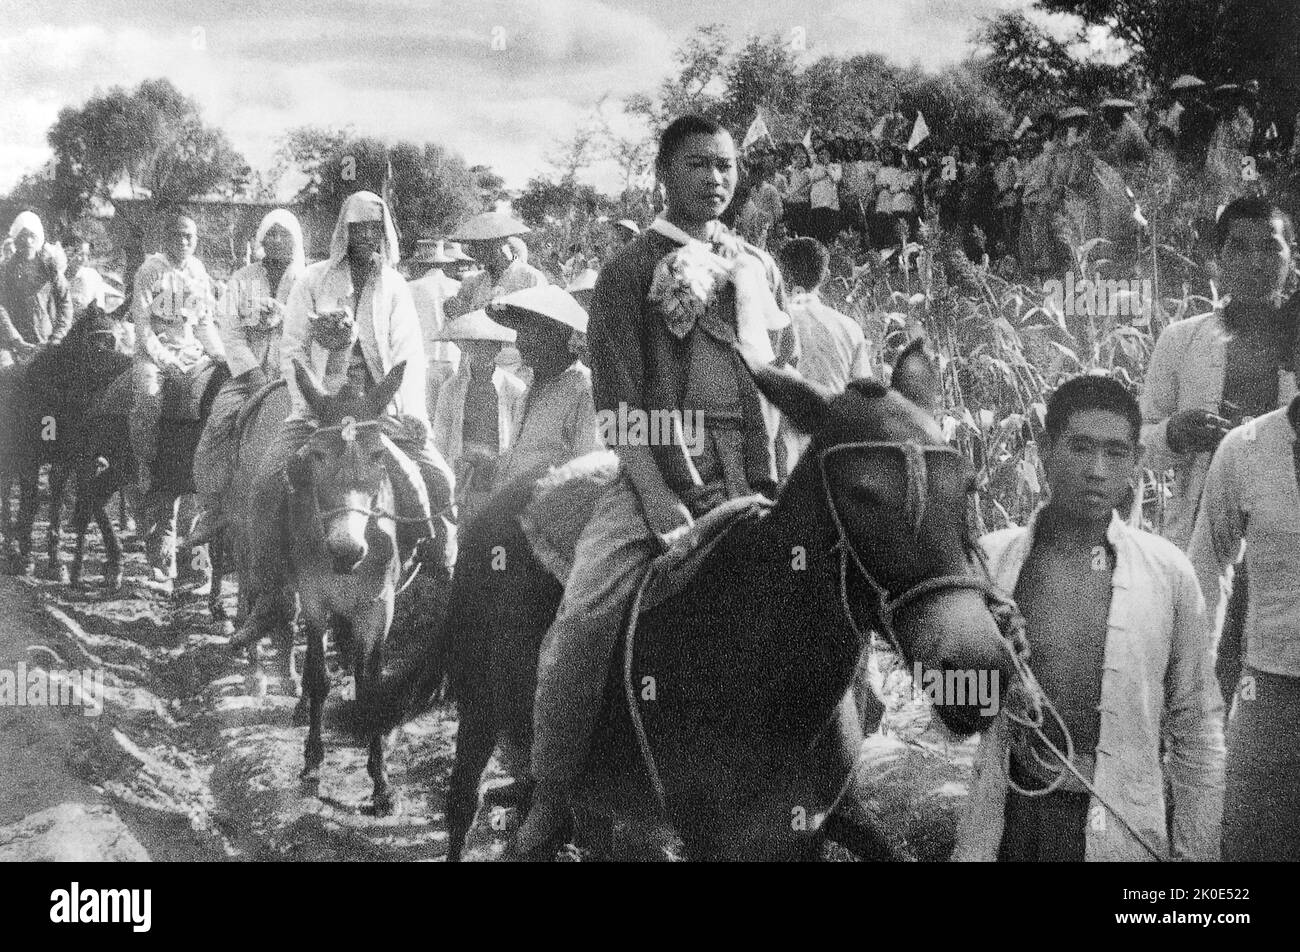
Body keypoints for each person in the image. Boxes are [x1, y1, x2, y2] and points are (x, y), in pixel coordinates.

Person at [513, 113, 797, 854]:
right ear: (663, 174)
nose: (716, 179)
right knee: (583, 615)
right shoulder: (629, 271)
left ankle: (824, 768)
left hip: (750, 467)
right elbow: (619, 403)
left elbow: (775, 376)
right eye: (699, 165)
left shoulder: (755, 265)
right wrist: (656, 494)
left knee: (824, 584)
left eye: (727, 167)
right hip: (658, 471)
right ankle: (553, 791)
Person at [955, 374, 1224, 861]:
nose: (1097, 470)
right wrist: (989, 678)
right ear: (1044, 448)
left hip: (1124, 825)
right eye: (1079, 447)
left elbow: (1198, 728)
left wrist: (1195, 856)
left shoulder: (1168, 573)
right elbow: (944, 702)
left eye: (1116, 452)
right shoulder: (990, 565)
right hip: (1014, 820)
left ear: (1137, 462)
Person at [232, 191, 454, 644]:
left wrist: (409, 412)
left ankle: (437, 571)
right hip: (323, 407)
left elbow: (408, 354)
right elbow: (293, 346)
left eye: (373, 228)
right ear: (343, 232)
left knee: (437, 476)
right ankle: (272, 594)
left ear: (384, 232)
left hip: (377, 409)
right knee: (265, 483)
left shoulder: (395, 287)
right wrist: (318, 374)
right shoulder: (312, 280)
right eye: (356, 229)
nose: (365, 237)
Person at [1188, 315, 1300, 861]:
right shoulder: (1247, 449)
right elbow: (1208, 570)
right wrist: (1196, 691)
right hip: (1270, 692)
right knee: (1251, 848)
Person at [1140, 197, 1298, 550]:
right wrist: (1174, 434)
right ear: (1219, 260)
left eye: (1269, 248)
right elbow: (1139, 444)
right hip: (1198, 536)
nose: (1255, 263)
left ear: (1292, 256)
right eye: (1239, 249)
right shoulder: (1181, 340)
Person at [187, 209, 307, 549]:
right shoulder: (242, 278)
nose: (277, 241)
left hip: (293, 373)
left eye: (284, 235)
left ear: (295, 239)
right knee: (219, 423)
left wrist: (283, 319)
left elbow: (308, 330)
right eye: (271, 234)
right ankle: (212, 506)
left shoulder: (307, 280)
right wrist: (252, 372)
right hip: (248, 373)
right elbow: (230, 331)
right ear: (261, 239)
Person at [128, 214, 224, 497]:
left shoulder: (197, 270)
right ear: (165, 238)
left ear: (195, 241)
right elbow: (142, 325)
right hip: (154, 350)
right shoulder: (150, 270)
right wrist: (165, 361)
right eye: (176, 235)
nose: (182, 241)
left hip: (190, 349)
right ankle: (144, 466)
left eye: (188, 237)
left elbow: (204, 321)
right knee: (148, 396)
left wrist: (219, 353)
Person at [489, 285, 603, 486]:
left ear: (560, 334)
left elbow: (589, 471)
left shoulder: (584, 392)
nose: (521, 343)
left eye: (530, 332)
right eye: (519, 332)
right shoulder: (530, 389)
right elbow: (523, 457)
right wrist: (490, 465)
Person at [777, 237, 871, 466]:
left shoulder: (774, 322)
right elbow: (863, 398)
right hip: (832, 450)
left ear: (780, 273)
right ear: (826, 276)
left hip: (782, 445)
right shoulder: (849, 327)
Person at [428, 308, 526, 523]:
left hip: (498, 471)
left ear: (498, 348)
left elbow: (520, 435)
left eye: (489, 345)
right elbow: (441, 436)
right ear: (468, 347)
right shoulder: (451, 388)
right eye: (477, 345)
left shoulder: (514, 388)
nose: (483, 351)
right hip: (462, 471)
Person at [406, 238, 470, 420]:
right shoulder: (459, 288)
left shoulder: (410, 288)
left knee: (425, 419)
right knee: (449, 421)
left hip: (422, 362)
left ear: (419, 265)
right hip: (454, 361)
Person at [0, 211, 72, 366]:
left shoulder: (50, 268)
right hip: (12, 344)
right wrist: (16, 340)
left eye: (32, 236)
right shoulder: (6, 269)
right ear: (16, 239)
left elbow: (65, 302)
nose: (28, 241)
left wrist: (58, 336)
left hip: (47, 341)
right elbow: (1, 307)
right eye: (23, 236)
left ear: (39, 238)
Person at [807, 144, 843, 244]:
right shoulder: (815, 167)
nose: (823, 156)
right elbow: (812, 178)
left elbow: (836, 178)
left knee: (829, 235)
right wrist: (823, 172)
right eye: (821, 153)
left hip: (831, 205)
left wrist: (828, 167)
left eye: (826, 153)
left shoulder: (836, 166)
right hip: (817, 205)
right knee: (818, 234)